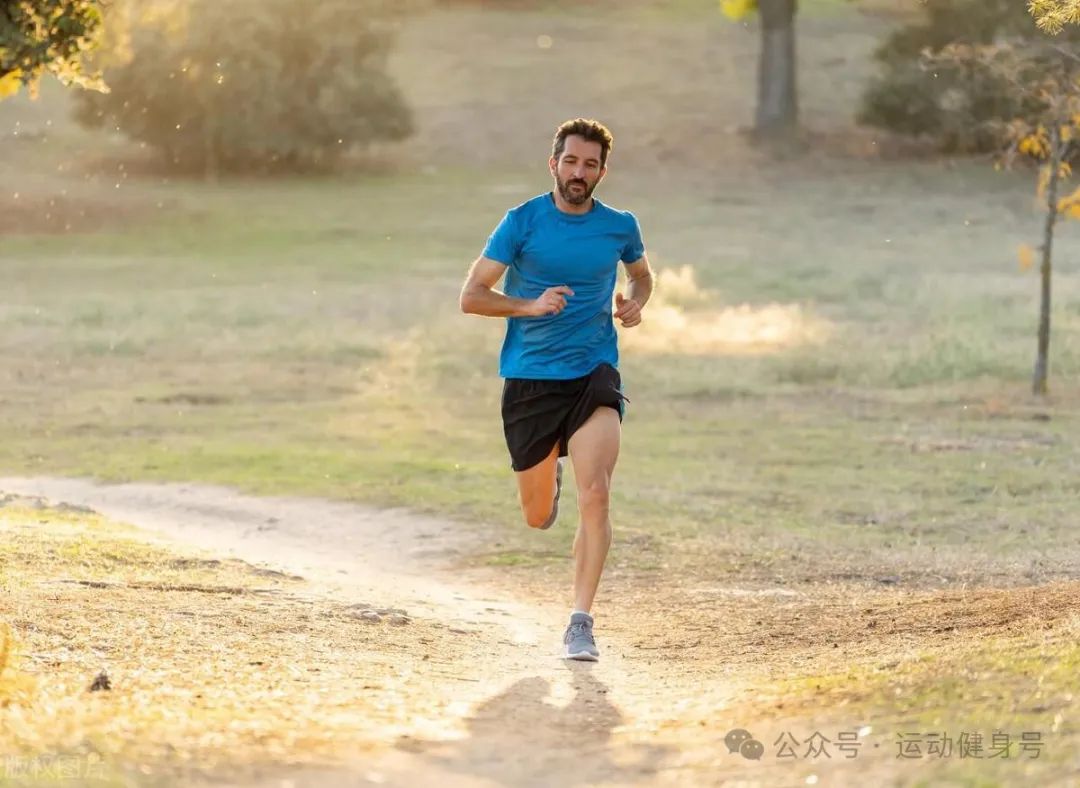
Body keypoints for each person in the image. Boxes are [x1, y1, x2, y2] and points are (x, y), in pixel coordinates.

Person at [459, 118, 653, 661]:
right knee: (537, 515)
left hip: (594, 373)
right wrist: (529, 304)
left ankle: (580, 620)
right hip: (530, 379)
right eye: (571, 161)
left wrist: (636, 299)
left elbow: (641, 274)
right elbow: (472, 296)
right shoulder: (521, 222)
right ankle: (550, 475)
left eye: (590, 164)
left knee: (598, 495)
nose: (579, 172)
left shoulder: (619, 226)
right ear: (554, 164)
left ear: (601, 172)